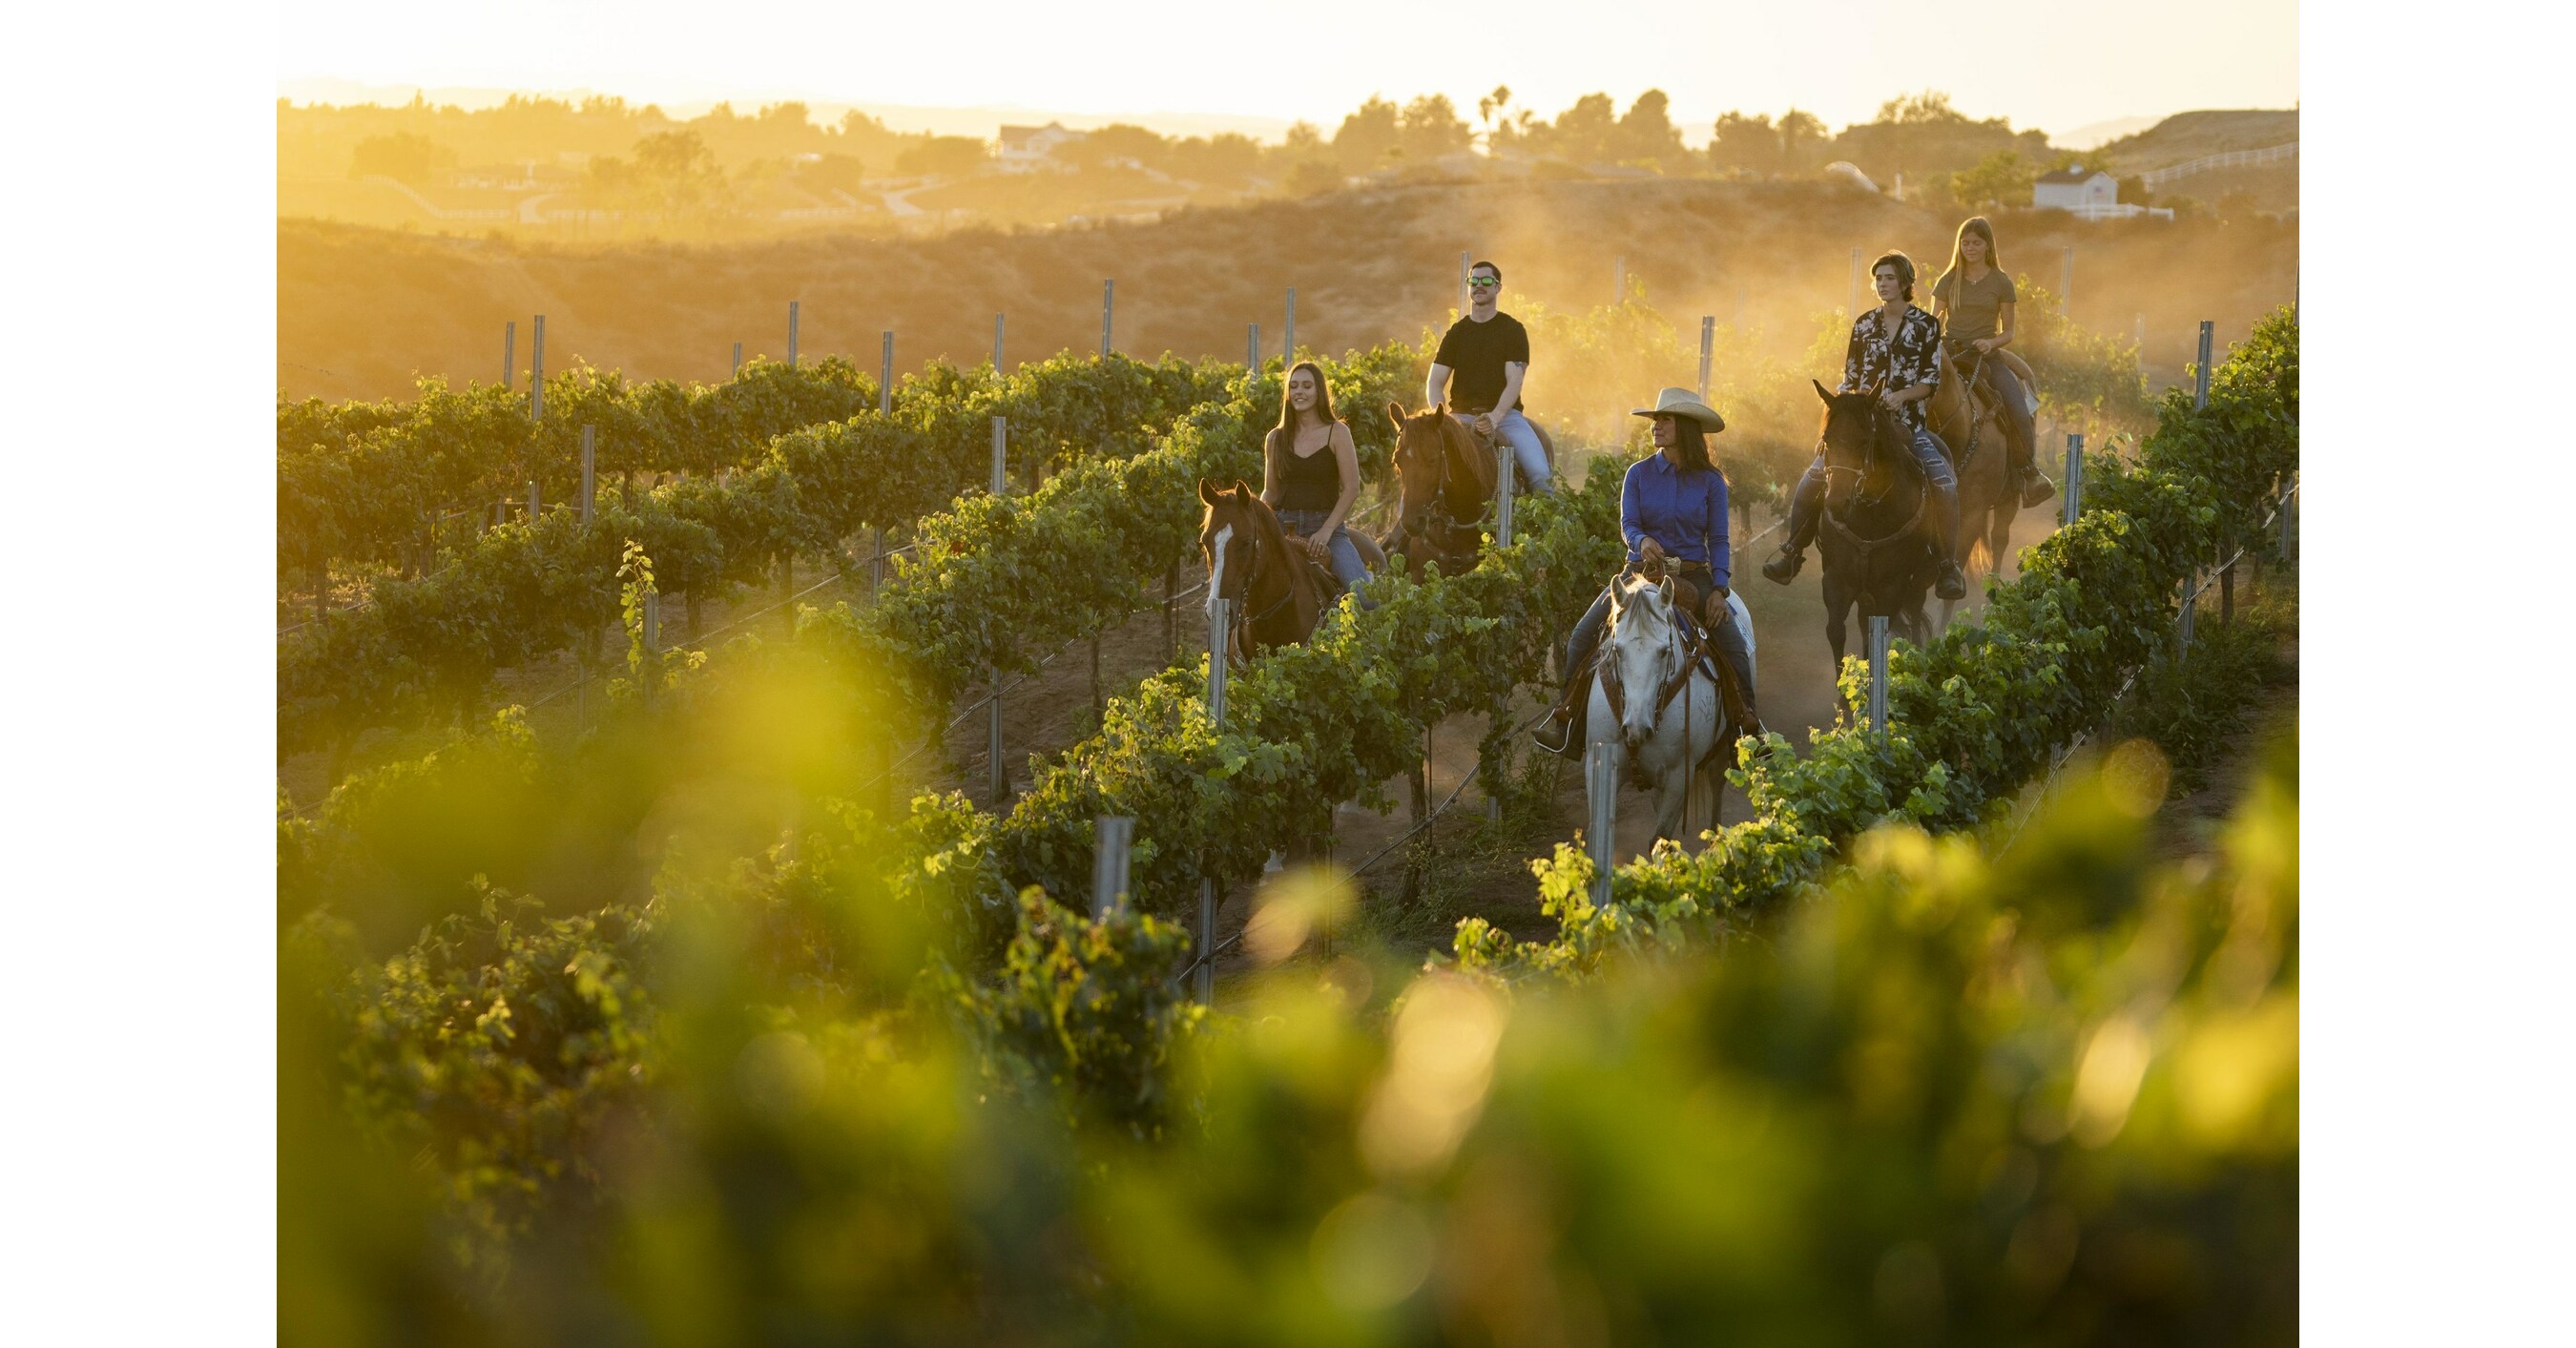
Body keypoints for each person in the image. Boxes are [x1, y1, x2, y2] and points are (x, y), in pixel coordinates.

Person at [1531, 388, 1754, 757]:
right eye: (1655, 420)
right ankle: (1566, 721)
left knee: (1733, 645)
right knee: (1581, 636)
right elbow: (1628, 524)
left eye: (1665, 419)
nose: (1656, 426)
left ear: (1685, 427)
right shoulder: (1638, 474)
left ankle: (1748, 727)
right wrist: (1642, 538)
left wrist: (1719, 588)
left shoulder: (1711, 481)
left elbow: (1718, 538)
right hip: (1639, 575)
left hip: (1694, 576)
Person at [1760, 250, 1968, 601]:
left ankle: (1947, 565)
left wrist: (1901, 396)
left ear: (1905, 283)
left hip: (1908, 426)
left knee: (1944, 484)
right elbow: (1850, 379)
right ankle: (1792, 552)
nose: (1882, 284)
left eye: (1889, 278)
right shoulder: (1863, 325)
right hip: (1860, 430)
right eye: (1878, 279)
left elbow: (1930, 381)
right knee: (1811, 479)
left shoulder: (1926, 326)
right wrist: (1837, 420)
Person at [1931, 216, 2054, 508]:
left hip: (1987, 356)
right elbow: (1933, 321)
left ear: (1988, 246)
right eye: (1965, 242)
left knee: (2017, 408)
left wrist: (1991, 342)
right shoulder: (1948, 280)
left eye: (1976, 242)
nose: (1970, 248)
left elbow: (2009, 331)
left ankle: (2029, 473)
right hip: (1951, 353)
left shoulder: (2001, 282)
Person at [1426, 259, 1553, 496]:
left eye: (1486, 281)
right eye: (1473, 281)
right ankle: (1405, 529)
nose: (1479, 285)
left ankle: (1543, 528)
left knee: (1540, 476)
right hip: (1460, 417)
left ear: (1498, 287)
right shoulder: (1456, 333)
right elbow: (1434, 382)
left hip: (1506, 418)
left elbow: (1514, 380)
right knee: (1419, 467)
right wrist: (1441, 418)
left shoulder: (1512, 330)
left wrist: (1495, 418)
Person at [1261, 360, 1374, 605]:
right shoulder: (1275, 438)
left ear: (1319, 391)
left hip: (1326, 528)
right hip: (1282, 528)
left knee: (1365, 598)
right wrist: (1259, 521)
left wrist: (1326, 530)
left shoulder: (1337, 432)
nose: (1299, 391)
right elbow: (1270, 492)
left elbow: (1352, 488)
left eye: (1307, 386)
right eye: (1294, 386)